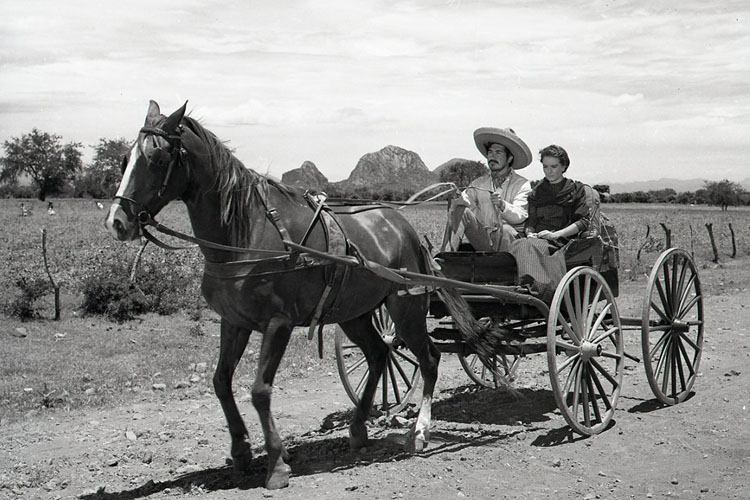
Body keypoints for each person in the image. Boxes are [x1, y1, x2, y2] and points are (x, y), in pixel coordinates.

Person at [509, 144, 591, 301]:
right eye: (545, 166)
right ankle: (519, 284)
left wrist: (556, 235)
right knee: (519, 244)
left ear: (564, 166)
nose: (549, 171)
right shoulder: (537, 191)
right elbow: (531, 221)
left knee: (526, 245)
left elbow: (583, 221)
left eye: (554, 166)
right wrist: (530, 232)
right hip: (538, 239)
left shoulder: (575, 189)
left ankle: (538, 288)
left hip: (562, 242)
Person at [443, 127, 532, 252]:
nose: (492, 156)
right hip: (485, 239)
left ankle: (504, 268)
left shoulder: (522, 184)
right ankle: (444, 258)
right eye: (490, 152)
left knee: (506, 230)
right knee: (460, 211)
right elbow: (465, 201)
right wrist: (456, 198)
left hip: (511, 243)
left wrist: (502, 205)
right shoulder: (479, 183)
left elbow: (520, 215)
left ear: (510, 158)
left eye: (498, 152)